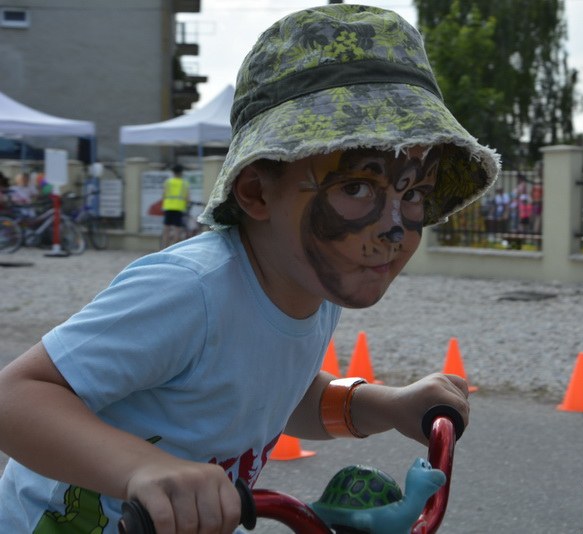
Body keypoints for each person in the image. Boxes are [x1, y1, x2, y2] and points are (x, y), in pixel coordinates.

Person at [0, 5, 498, 533]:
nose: (394, 230)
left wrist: (389, 405)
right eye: (356, 187)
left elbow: (273, 395)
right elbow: (16, 396)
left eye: (414, 193)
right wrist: (142, 469)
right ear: (257, 192)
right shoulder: (191, 290)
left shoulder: (312, 287)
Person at [160, 163, 190, 248]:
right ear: (181, 172)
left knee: (166, 228)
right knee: (177, 229)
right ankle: (173, 248)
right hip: (179, 208)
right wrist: (187, 204)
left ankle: (164, 248)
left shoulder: (168, 182)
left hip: (168, 207)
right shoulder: (184, 183)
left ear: (173, 172)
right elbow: (187, 198)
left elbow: (163, 195)